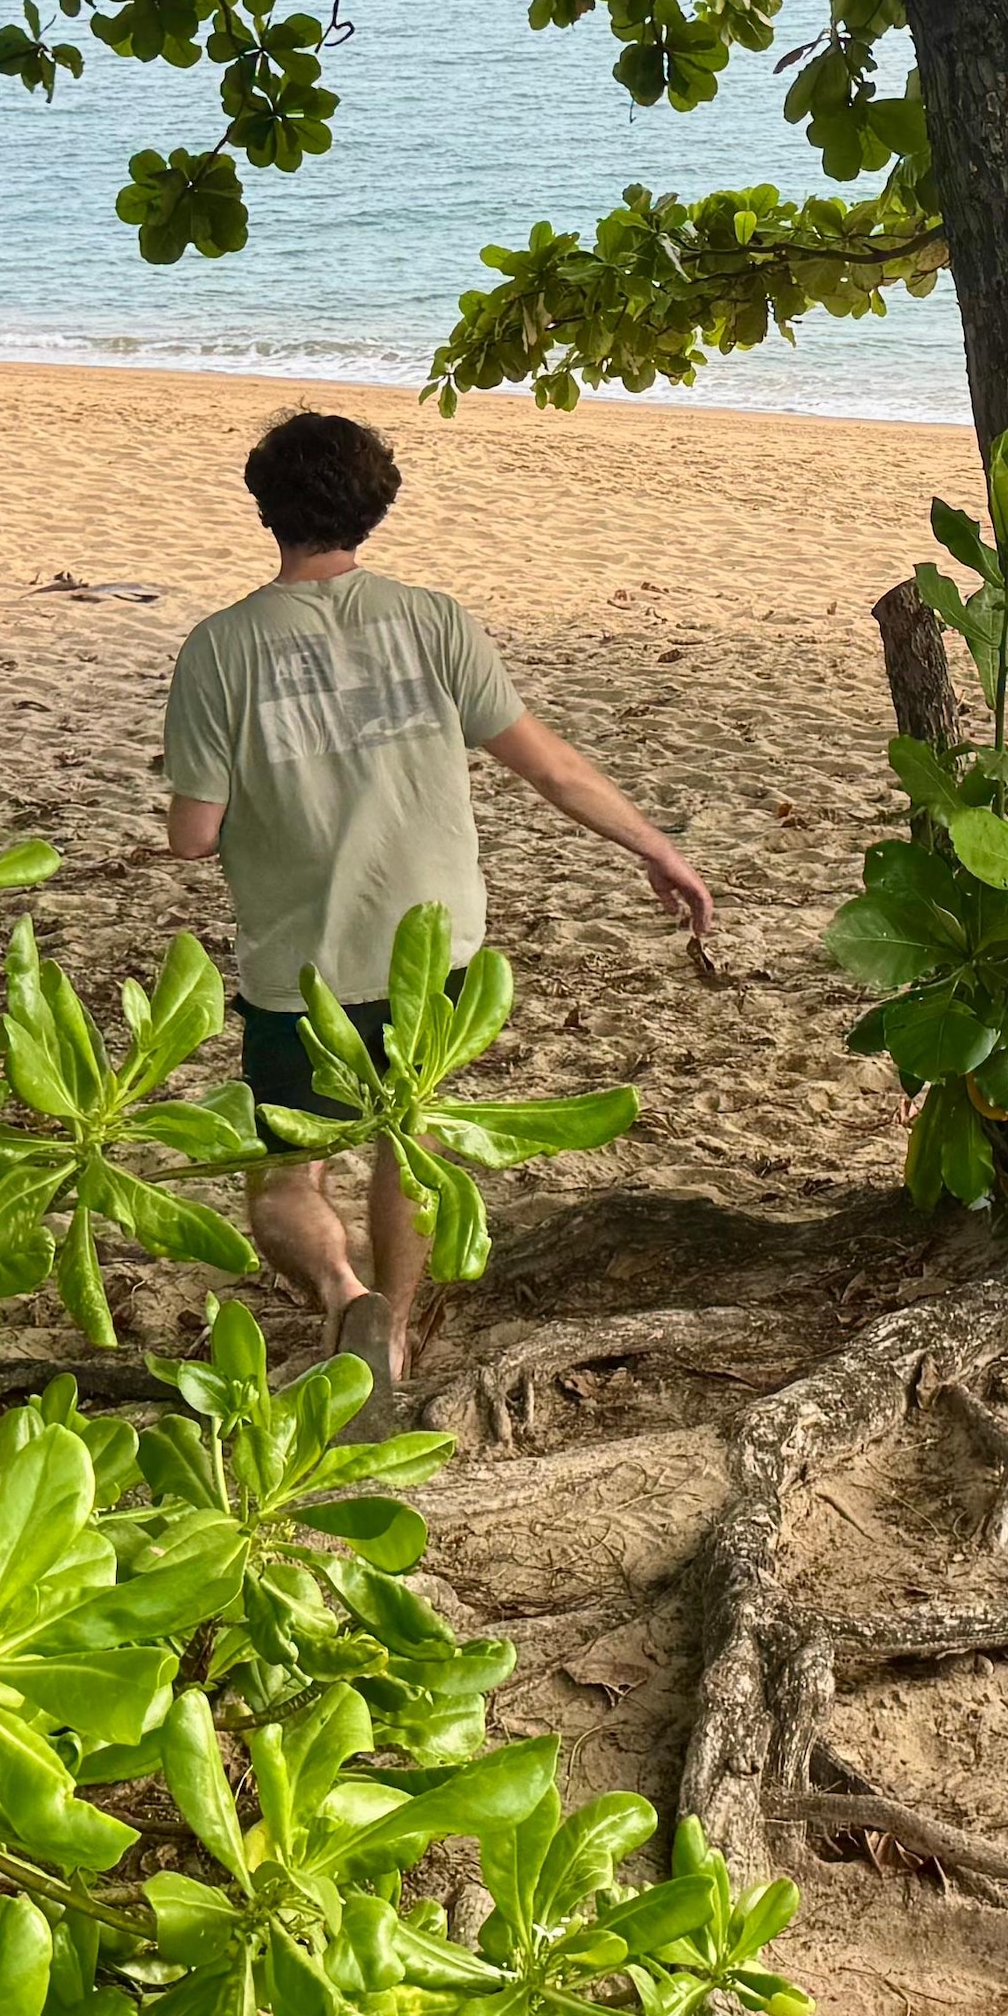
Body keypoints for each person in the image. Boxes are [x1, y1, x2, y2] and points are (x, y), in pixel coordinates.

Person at [158, 407, 710, 1405]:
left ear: (266, 507)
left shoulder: (219, 648)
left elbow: (193, 835)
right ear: (373, 507)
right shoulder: (432, 622)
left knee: (287, 1180)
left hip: (296, 968)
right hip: (433, 948)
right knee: (410, 1145)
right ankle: (398, 1337)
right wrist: (654, 848)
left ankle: (340, 1293)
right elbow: (550, 768)